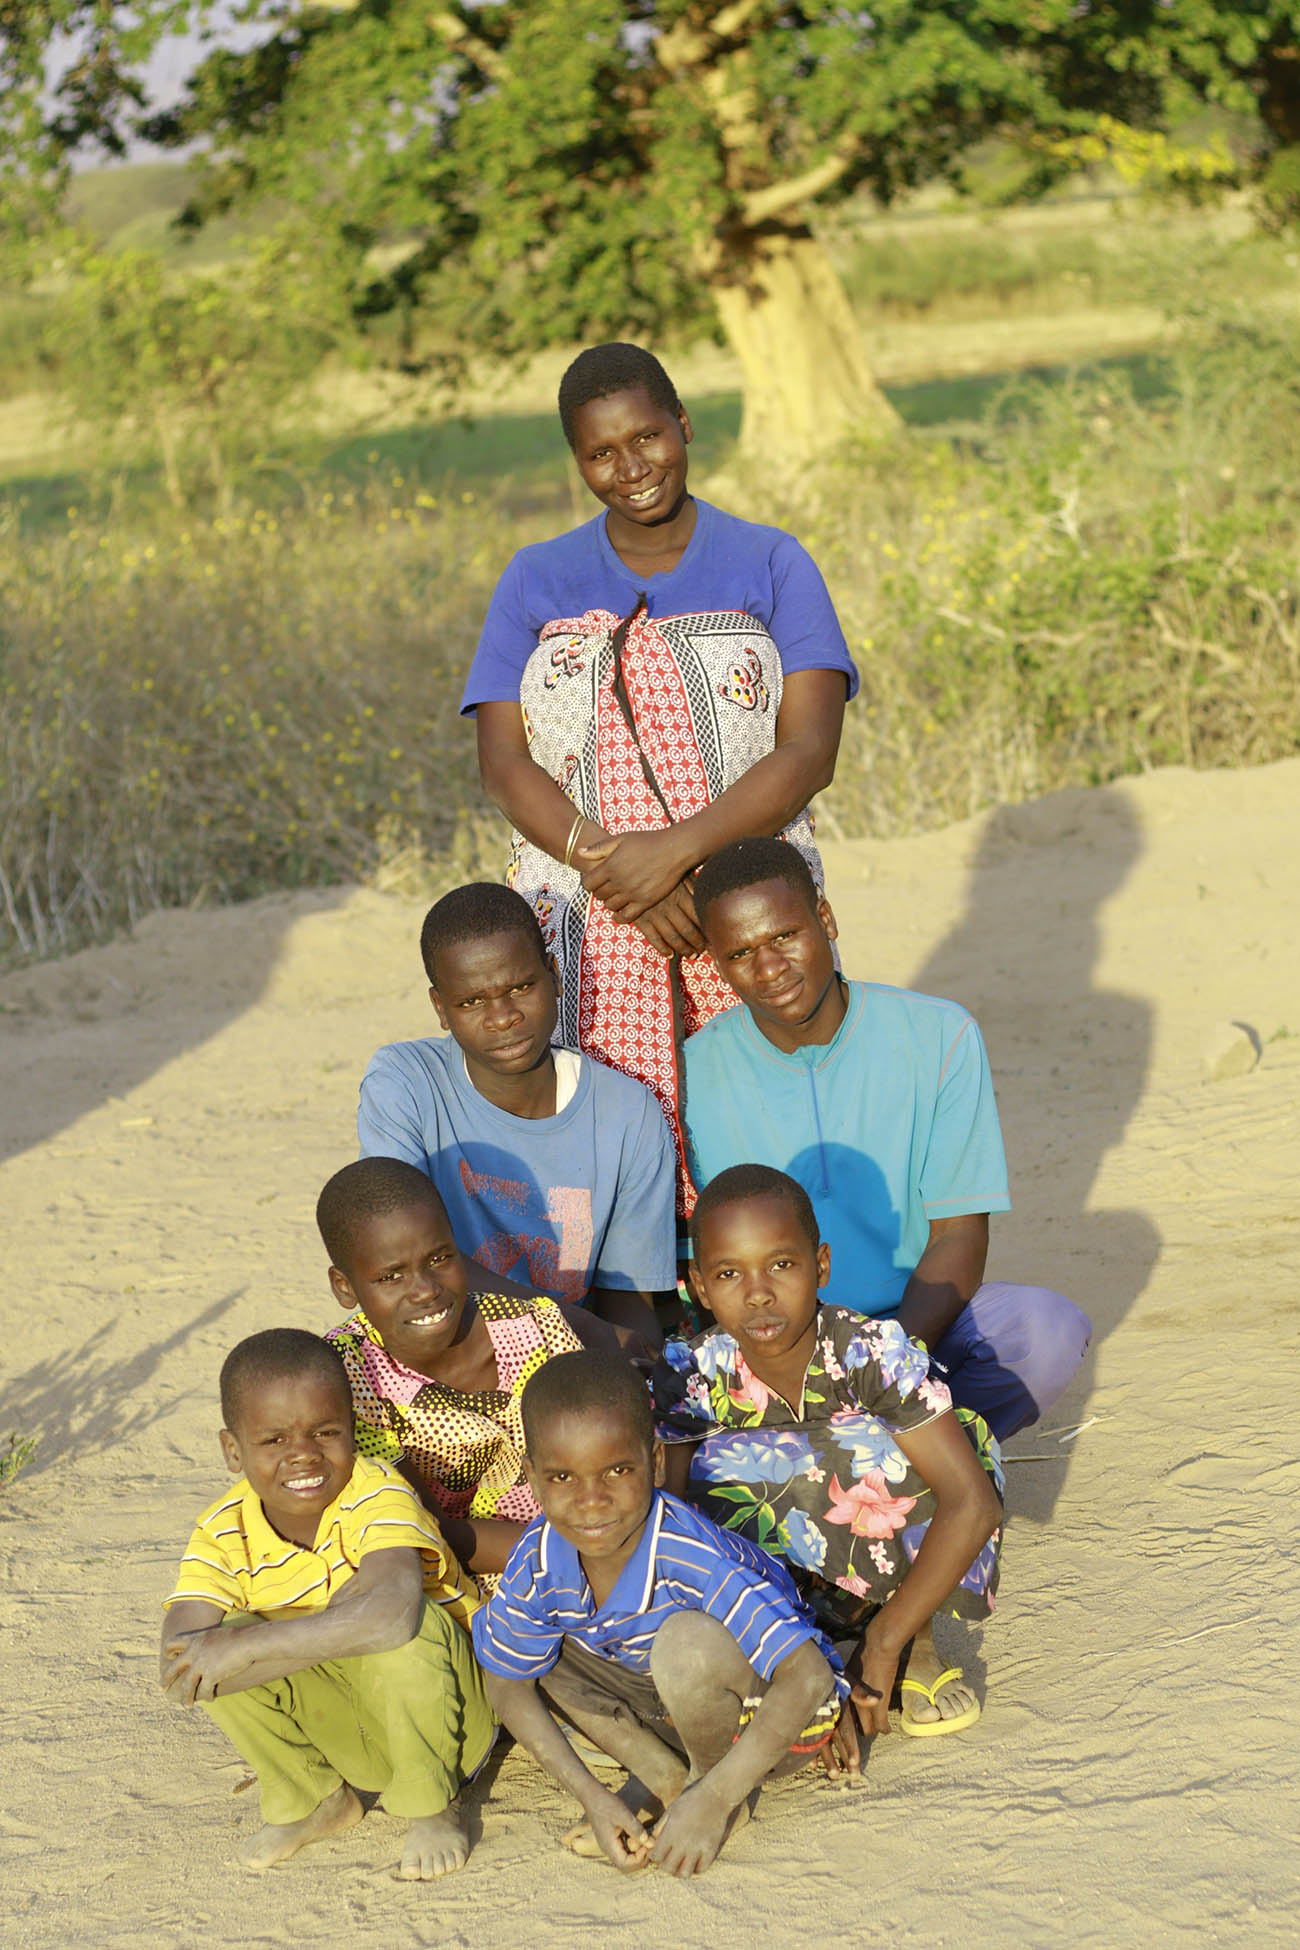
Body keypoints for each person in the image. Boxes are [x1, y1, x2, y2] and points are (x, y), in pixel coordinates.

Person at [461, 341, 858, 1194]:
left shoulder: (770, 560)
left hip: (747, 889)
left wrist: (674, 856)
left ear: (683, 424)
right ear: (578, 462)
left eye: (647, 437)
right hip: (586, 895)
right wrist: (616, 871)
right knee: (607, 1132)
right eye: (600, 453)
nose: (630, 468)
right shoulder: (536, 577)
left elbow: (810, 750)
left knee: (769, 1118)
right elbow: (503, 759)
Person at [682, 834, 1093, 1442]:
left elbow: (960, 1233)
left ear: (826, 918)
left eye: (785, 936)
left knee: (1043, 1332)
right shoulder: (690, 1072)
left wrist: (877, 1370)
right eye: (741, 953)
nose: (769, 969)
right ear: (717, 962)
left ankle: (918, 1457)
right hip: (767, 1345)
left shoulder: (939, 1036)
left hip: (915, 1326)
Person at [654, 1164, 1004, 1737]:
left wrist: (885, 1645)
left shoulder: (871, 1353)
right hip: (777, 1587)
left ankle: (910, 1634)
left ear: (821, 1265)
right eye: (728, 1273)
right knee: (696, 1489)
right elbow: (669, 1533)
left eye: (782, 1264)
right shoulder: (690, 1376)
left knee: (882, 1454)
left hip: (889, 1565)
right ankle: (803, 1652)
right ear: (698, 1285)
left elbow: (973, 1502)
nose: (758, 1292)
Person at [471, 1350, 850, 1878]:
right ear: (532, 1479)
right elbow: (507, 1682)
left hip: (774, 1723)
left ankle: (711, 1790)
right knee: (526, 1649)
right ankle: (664, 1778)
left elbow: (806, 1677)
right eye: (562, 1478)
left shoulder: (685, 1553)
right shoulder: (537, 1558)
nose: (591, 1502)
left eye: (617, 1470)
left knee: (686, 1643)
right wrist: (594, 1797)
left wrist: (715, 1798)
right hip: (666, 1706)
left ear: (656, 1460)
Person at [159, 1329, 492, 1880]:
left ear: (352, 1431)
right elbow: (177, 1670)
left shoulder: (376, 1490)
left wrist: (248, 1644)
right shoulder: (223, 1529)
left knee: (408, 1629)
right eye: (273, 1441)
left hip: (452, 1725)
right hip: (351, 1730)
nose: (304, 1455)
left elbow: (393, 1616)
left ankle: (432, 1806)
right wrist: (326, 1628)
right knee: (203, 1656)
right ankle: (317, 1798)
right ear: (232, 1449)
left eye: (325, 1431)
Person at [357, 880, 674, 1340]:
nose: (502, 1017)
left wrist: (635, 1364)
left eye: (521, 987)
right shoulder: (406, 1081)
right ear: (440, 1008)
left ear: (555, 975)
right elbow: (405, 1251)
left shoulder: (627, 1113)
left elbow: (627, 1300)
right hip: (440, 1343)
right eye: (471, 1002)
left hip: (565, 1366)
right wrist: (577, 1328)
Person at [320, 1155, 634, 1589]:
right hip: (450, 1578)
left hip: (588, 1548)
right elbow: (420, 1525)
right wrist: (568, 1558)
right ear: (345, 1287)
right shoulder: (347, 1377)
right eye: (391, 1277)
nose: (425, 1290)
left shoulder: (539, 1332)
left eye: (439, 1258)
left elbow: (596, 1469)